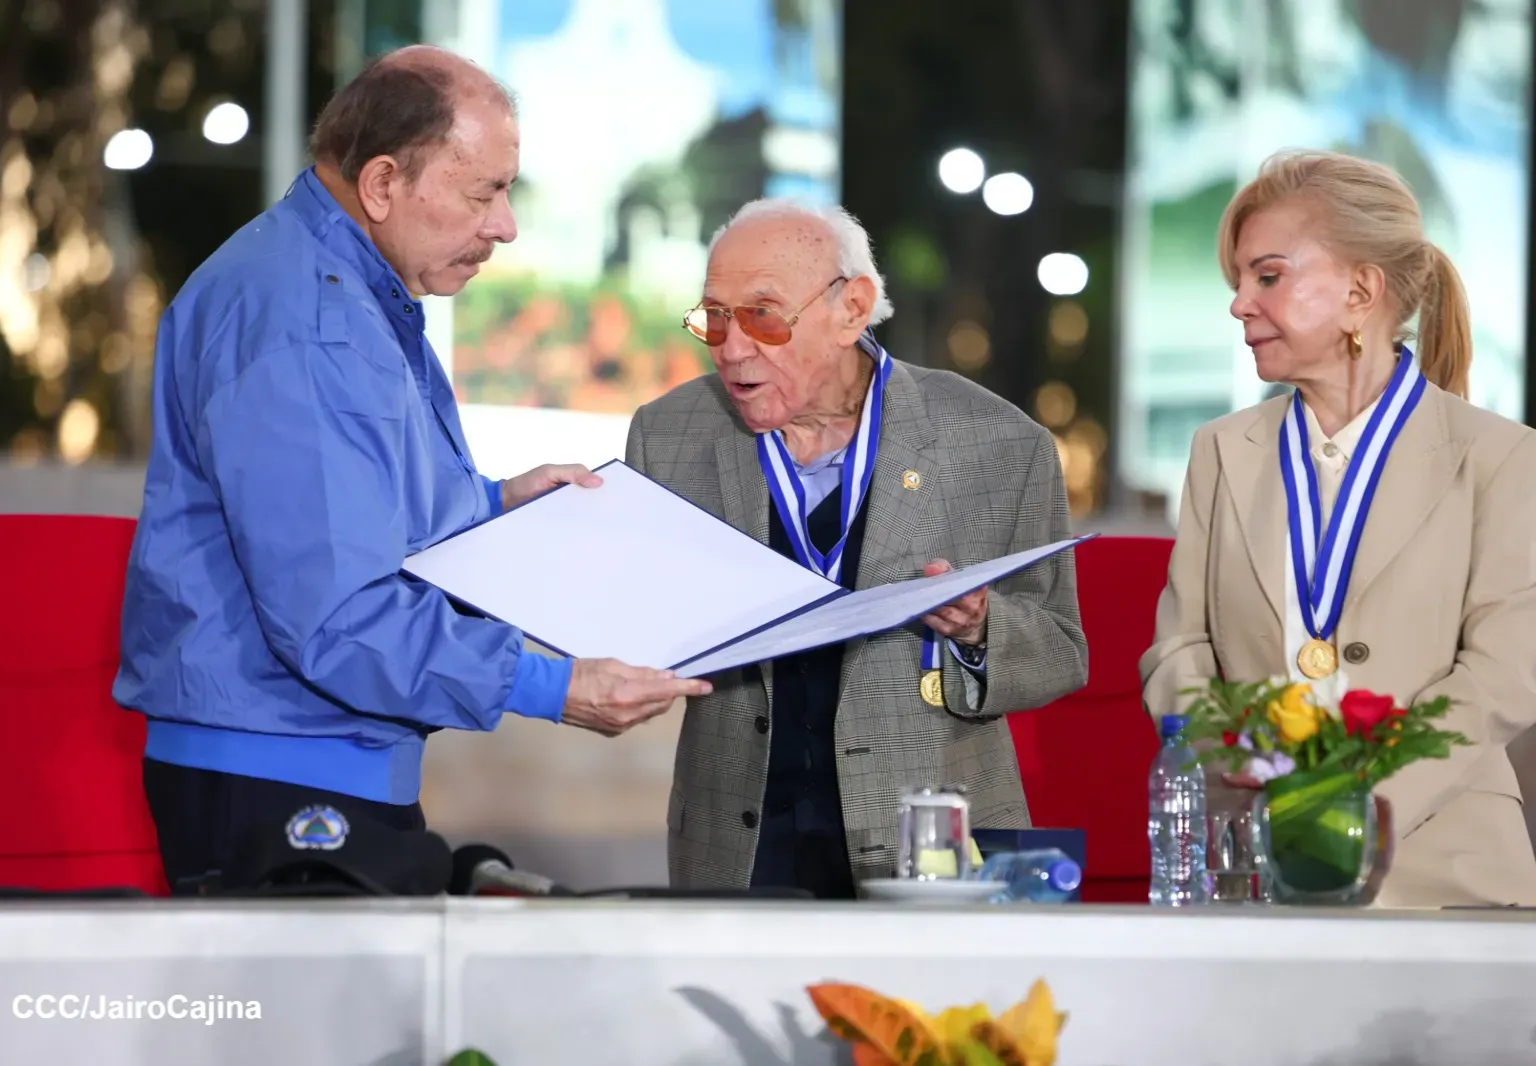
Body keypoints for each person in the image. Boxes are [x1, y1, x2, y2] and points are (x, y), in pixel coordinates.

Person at [115, 46, 709, 894]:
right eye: (484, 193)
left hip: (304, 756)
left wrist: (496, 502)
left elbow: (357, 518)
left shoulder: (341, 287)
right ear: (385, 183)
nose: (505, 226)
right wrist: (555, 684)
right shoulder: (310, 323)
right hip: (283, 770)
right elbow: (337, 616)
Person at [625, 200, 1088, 898]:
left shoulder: (998, 443)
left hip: (931, 844)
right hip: (736, 844)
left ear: (852, 308)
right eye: (715, 317)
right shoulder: (666, 437)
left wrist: (980, 627)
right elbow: (640, 619)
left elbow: (1060, 651)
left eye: (762, 315)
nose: (732, 346)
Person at [1139, 149, 1536, 907]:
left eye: (1268, 276)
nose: (1239, 305)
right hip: (1254, 868)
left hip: (1447, 873)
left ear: (1360, 290)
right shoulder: (1221, 451)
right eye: (1239, 282)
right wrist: (1245, 768)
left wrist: (1357, 805)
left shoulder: (1500, 456)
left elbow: (1505, 674)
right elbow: (1178, 648)